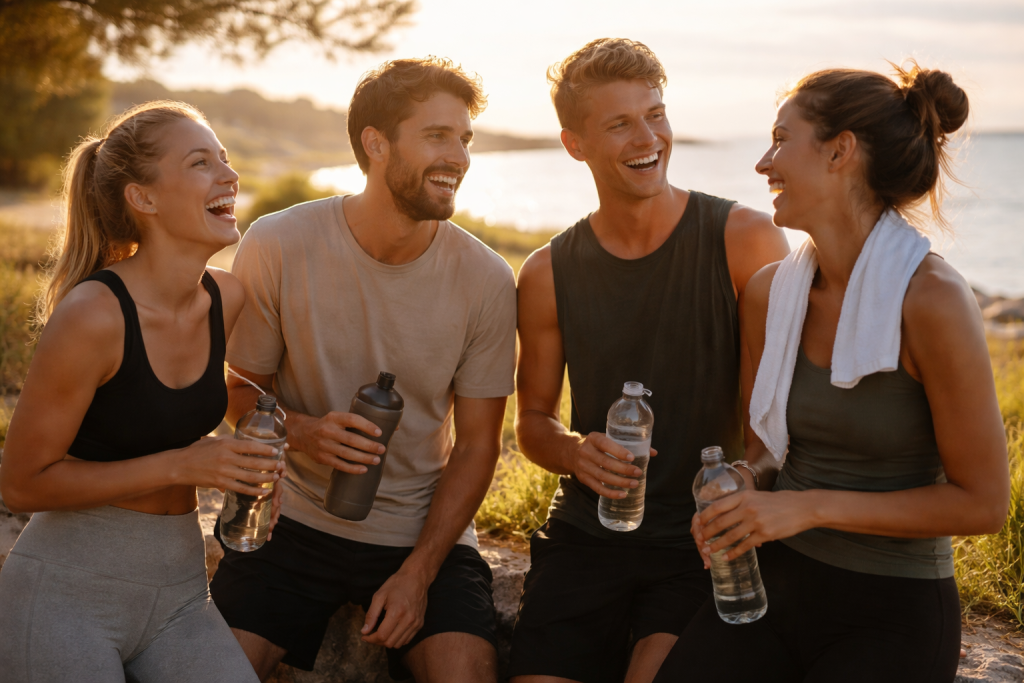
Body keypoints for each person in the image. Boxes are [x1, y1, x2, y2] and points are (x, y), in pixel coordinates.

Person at [654, 63, 1009, 683]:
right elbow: (767, 450)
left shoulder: (931, 300)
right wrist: (746, 479)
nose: (764, 163)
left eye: (781, 139)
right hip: (773, 588)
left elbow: (982, 504)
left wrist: (807, 507)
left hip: (891, 610)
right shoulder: (770, 292)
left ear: (840, 150)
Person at [208, 57, 516, 683]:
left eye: (465, 139)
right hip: (288, 521)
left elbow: (479, 445)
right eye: (437, 136)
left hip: (422, 534)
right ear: (376, 144)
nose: (458, 155)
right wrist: (299, 430)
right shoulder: (279, 242)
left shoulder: (486, 278)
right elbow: (240, 387)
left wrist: (419, 573)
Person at [509, 38, 791, 683]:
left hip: (703, 540)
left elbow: (770, 418)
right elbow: (532, 422)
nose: (649, 137)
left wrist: (750, 481)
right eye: (620, 123)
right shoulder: (549, 271)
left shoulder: (744, 239)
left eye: (656, 114)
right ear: (574, 143)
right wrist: (574, 451)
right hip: (586, 535)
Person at [0, 101, 277, 682]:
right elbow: (21, 483)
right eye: (202, 162)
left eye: (225, 160)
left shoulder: (227, 298)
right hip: (66, 593)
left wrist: (269, 452)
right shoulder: (93, 315)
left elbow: (208, 402)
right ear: (143, 198)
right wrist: (184, 464)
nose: (229, 175)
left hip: (179, 593)